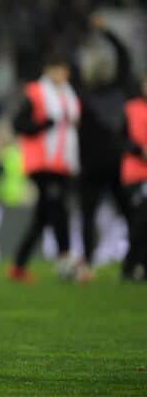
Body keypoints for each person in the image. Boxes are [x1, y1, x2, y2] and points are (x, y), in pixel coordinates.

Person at [8, 54, 80, 283]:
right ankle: (65, 257)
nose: (60, 75)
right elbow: (18, 124)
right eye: (56, 70)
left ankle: (19, 265)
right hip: (42, 163)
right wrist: (43, 125)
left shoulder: (69, 95)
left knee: (43, 216)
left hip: (62, 163)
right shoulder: (36, 93)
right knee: (58, 208)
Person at [73, 26, 133, 281]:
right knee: (131, 216)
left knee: (91, 216)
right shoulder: (119, 92)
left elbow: (123, 58)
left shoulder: (83, 96)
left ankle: (89, 263)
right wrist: (106, 33)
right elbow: (124, 57)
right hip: (114, 164)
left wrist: (87, 35)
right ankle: (133, 262)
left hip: (94, 166)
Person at [120, 73, 147, 281]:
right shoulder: (130, 108)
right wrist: (139, 151)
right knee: (139, 221)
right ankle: (130, 265)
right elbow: (120, 139)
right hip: (136, 173)